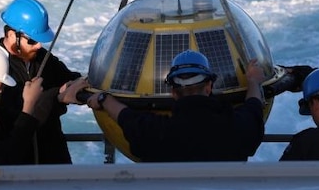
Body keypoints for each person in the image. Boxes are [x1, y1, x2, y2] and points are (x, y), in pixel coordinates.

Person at [87, 50, 266, 162]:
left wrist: (104, 99)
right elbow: (254, 104)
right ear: (209, 87)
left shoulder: (154, 133)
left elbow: (125, 116)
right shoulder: (239, 127)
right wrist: (253, 81)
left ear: (173, 93)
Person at [0, 0, 84, 164]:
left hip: (53, 155)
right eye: (32, 40)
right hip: (20, 161)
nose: (38, 46)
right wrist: (57, 97)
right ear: (10, 34)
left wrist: (79, 85)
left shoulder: (43, 58)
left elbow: (69, 77)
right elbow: (14, 111)